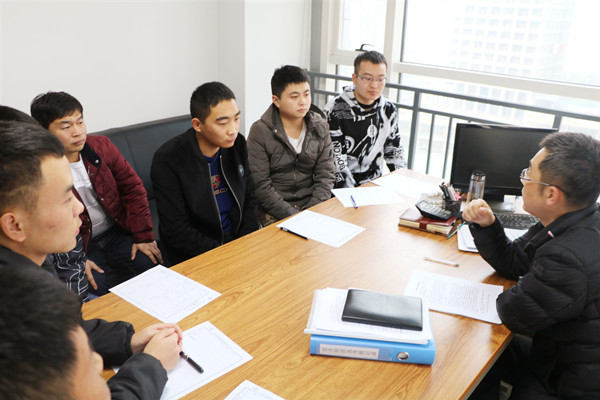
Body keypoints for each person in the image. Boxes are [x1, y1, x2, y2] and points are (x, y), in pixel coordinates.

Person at [0, 120, 182, 399]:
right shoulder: (15, 314)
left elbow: (64, 330)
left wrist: (128, 341)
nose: (79, 207)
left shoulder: (31, 265)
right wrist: (152, 364)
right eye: (66, 199)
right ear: (15, 225)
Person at [463, 132, 600, 399]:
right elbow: (514, 261)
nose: (523, 179)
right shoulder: (572, 218)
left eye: (529, 173)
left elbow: (513, 312)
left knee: (475, 354)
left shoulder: (567, 256)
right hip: (562, 353)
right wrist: (488, 225)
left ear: (551, 194)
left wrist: (528, 281)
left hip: (568, 383)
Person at [31, 92, 162, 295]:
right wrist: (75, 260)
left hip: (116, 230)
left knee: (150, 261)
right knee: (92, 284)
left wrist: (143, 236)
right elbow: (46, 222)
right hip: (82, 244)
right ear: (44, 132)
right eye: (66, 127)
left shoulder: (101, 146)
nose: (78, 132)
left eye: (80, 122)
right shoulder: (40, 167)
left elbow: (133, 188)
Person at [151, 82, 259, 265]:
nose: (233, 129)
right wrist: (223, 252)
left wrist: (245, 242)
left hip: (238, 244)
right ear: (197, 125)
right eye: (223, 123)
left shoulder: (237, 144)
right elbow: (176, 230)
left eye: (236, 119)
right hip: (197, 254)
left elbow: (249, 197)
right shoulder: (169, 159)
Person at [247, 65, 334, 226]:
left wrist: (312, 212)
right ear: (276, 100)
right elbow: (261, 186)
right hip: (274, 213)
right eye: (294, 96)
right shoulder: (260, 131)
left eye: (306, 94)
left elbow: (326, 175)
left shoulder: (320, 126)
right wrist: (295, 217)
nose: (303, 102)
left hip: (312, 208)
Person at [323, 50, 406, 188]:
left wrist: (403, 182)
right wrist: (354, 192)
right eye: (367, 78)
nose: (374, 85)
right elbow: (337, 162)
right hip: (340, 187)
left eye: (380, 79)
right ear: (354, 78)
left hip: (374, 185)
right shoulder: (335, 110)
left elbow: (394, 151)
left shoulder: (388, 110)